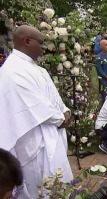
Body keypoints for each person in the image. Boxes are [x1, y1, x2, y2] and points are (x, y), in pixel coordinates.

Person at [0, 25, 73, 198]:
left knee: (55, 185)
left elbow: (54, 98)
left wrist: (65, 111)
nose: (44, 48)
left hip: (49, 133)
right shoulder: (13, 70)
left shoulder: (36, 68)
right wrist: (60, 118)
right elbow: (35, 105)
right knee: (38, 188)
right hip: (34, 142)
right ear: (27, 41)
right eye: (40, 43)